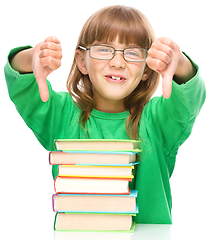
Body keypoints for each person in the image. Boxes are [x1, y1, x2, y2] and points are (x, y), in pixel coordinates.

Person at [4, 5, 206, 224]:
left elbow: (189, 99)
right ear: (82, 61)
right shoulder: (61, 115)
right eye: (103, 49)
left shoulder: (156, 121)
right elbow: (21, 86)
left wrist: (179, 63)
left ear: (147, 68)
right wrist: (31, 57)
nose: (117, 62)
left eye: (132, 53)